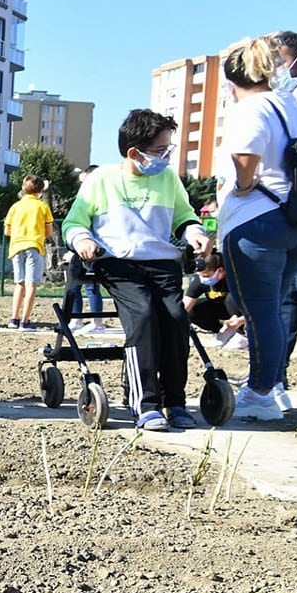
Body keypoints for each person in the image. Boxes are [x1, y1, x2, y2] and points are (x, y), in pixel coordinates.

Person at [63, 109, 210, 431]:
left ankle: (175, 401)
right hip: (118, 262)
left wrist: (195, 232)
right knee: (142, 317)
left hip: (161, 262)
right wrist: (83, 240)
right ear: (134, 152)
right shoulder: (102, 179)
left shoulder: (168, 178)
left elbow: (185, 216)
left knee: (175, 318)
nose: (166, 156)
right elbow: (74, 222)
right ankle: (145, 404)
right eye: (160, 150)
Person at [215, 37, 297, 421]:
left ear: (231, 77)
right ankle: (269, 385)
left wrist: (242, 185)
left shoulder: (249, 108)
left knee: (259, 310)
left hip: (257, 219)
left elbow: (245, 154)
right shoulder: (293, 104)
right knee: (275, 306)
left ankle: (260, 392)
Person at [267, 30, 297, 400]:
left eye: (282, 61)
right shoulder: (294, 97)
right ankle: (276, 375)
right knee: (289, 296)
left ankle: (274, 377)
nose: (281, 69)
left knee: (296, 292)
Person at [3, 175, 54, 331]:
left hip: (16, 246)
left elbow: (7, 230)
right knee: (31, 284)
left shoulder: (15, 206)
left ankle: (14, 319)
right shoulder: (42, 206)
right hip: (34, 245)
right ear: (40, 190)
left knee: (20, 283)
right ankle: (25, 322)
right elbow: (49, 232)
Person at [66, 165, 108, 333]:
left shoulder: (100, 201)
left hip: (93, 251)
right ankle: (76, 319)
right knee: (74, 285)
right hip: (79, 250)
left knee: (92, 287)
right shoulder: (81, 202)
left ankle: (97, 322)